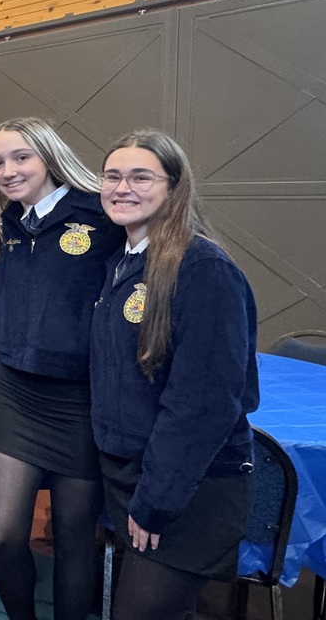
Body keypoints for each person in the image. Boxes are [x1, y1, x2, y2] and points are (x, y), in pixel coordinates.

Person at [91, 130, 258, 620]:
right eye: (113, 176)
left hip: (186, 489)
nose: (123, 187)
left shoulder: (203, 269)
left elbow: (203, 404)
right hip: (133, 477)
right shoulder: (121, 263)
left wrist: (156, 501)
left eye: (141, 176)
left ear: (174, 187)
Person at [0, 117, 123, 620]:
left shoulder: (99, 215)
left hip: (79, 400)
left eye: (21, 157)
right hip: (15, 395)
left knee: (72, 538)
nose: (8, 170)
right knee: (1, 534)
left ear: (48, 155)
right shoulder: (6, 223)